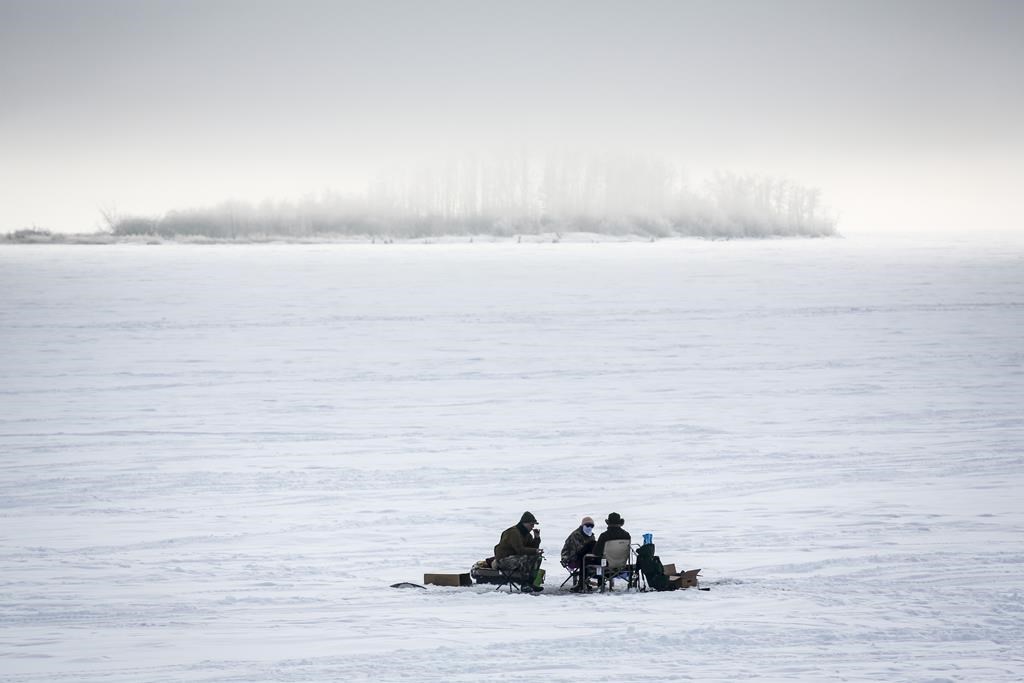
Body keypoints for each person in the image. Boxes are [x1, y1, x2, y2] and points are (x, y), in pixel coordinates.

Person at [493, 511, 544, 591]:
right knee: (524, 558)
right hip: (504, 560)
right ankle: (524, 584)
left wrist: (536, 538)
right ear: (525, 523)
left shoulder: (527, 534)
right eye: (531, 524)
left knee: (537, 558)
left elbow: (531, 548)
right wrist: (535, 550)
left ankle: (530, 583)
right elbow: (520, 550)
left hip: (515, 558)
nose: (532, 527)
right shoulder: (514, 532)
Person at [580, 512, 631, 589]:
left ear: (608, 523)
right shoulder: (627, 535)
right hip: (622, 564)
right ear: (620, 523)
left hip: (606, 564)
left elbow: (596, 552)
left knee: (586, 558)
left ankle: (582, 583)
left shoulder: (604, 536)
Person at [560, 516, 597, 581]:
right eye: (587, 525)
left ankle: (585, 580)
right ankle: (583, 581)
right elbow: (577, 550)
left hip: (583, 557)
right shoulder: (576, 535)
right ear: (582, 525)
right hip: (570, 557)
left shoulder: (591, 535)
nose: (589, 527)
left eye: (591, 526)